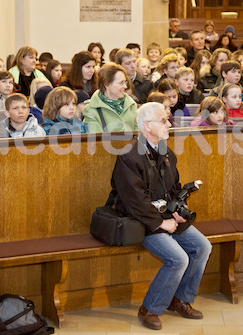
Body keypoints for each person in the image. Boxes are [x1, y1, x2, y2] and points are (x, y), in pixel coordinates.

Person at [109, 102, 212, 330]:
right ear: (147, 126)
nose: (169, 123)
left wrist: (176, 210)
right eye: (163, 120)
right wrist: (160, 222)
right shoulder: (128, 156)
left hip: (165, 216)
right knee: (178, 259)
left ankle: (180, 299)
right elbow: (133, 201)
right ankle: (150, 308)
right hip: (141, 221)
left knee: (203, 246)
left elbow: (173, 187)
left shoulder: (165, 151)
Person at [83, 63, 138, 133]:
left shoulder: (131, 104)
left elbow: (138, 134)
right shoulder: (91, 109)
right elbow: (97, 140)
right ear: (107, 85)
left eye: (125, 82)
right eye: (121, 83)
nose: (125, 86)